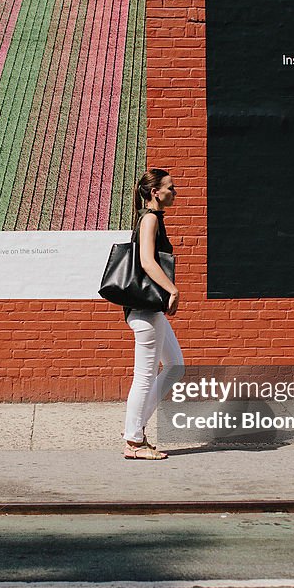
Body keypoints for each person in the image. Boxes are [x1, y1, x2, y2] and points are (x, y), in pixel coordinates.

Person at [122, 168, 184, 460]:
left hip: (150, 310)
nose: (174, 192)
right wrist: (172, 289)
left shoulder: (154, 219)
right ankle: (133, 442)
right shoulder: (149, 219)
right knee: (144, 376)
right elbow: (147, 262)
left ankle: (136, 429)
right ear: (155, 192)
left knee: (175, 366)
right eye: (170, 188)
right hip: (145, 308)